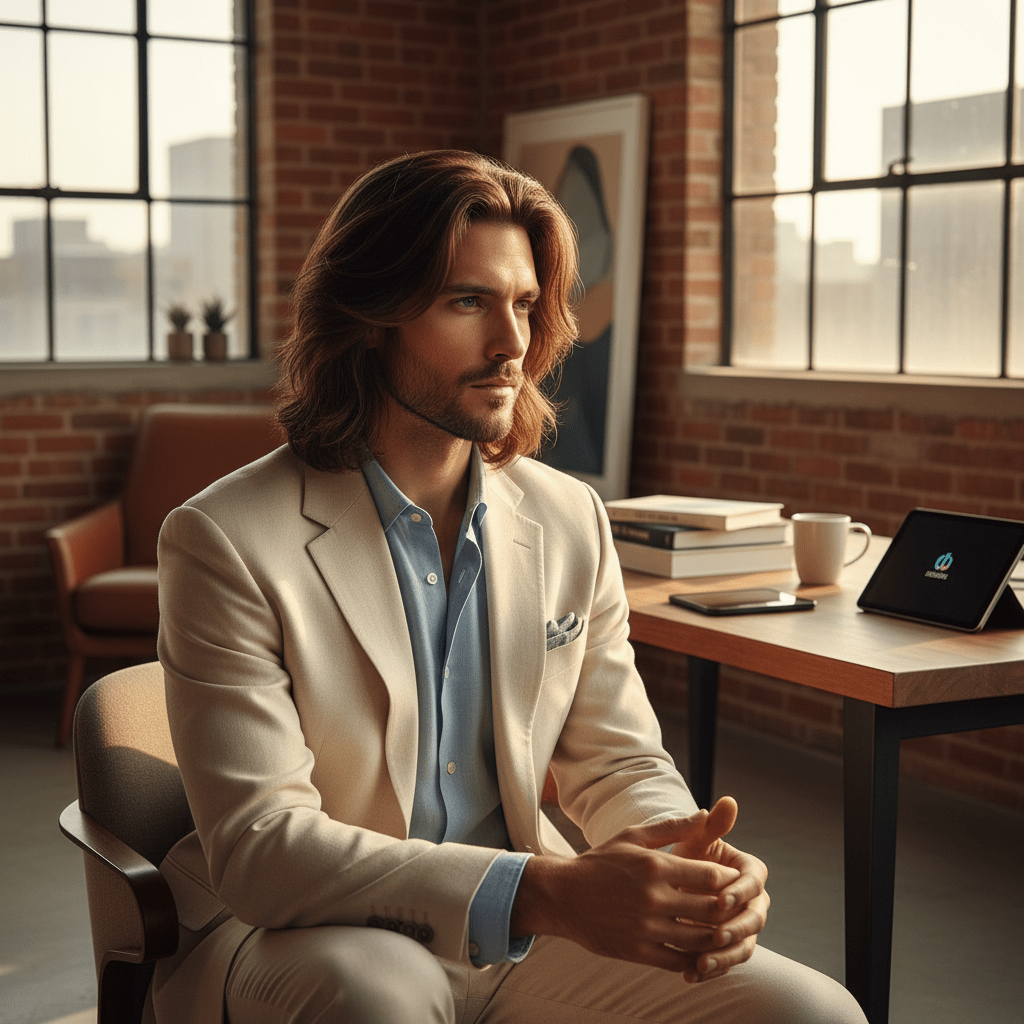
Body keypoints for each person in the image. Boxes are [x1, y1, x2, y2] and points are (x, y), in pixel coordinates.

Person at [151, 149, 867, 1024]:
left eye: (525, 304)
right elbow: (266, 851)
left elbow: (618, 757)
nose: (514, 343)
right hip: (306, 928)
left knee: (814, 1014)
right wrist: (549, 893)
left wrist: (688, 864)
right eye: (468, 302)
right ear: (371, 316)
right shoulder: (224, 537)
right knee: (374, 1000)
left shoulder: (571, 518)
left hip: (527, 930)